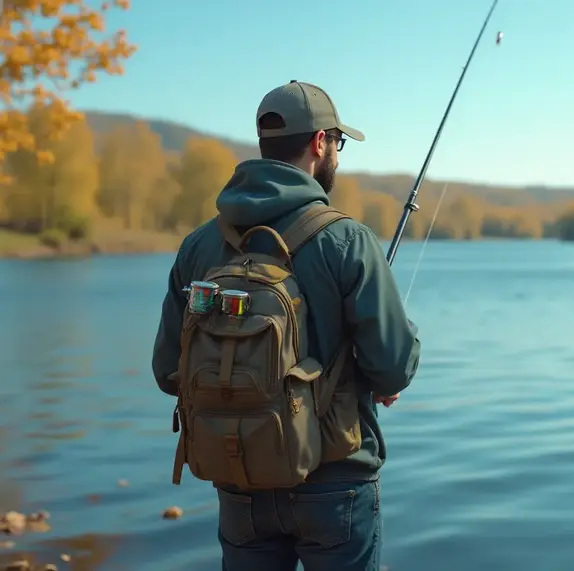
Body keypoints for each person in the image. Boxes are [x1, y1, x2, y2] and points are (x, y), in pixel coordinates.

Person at [151, 80, 421, 571]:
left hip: (238, 480)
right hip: (335, 480)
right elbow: (394, 367)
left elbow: (168, 370)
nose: (336, 154)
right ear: (320, 143)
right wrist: (380, 373)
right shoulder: (347, 239)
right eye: (337, 143)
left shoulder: (198, 246)